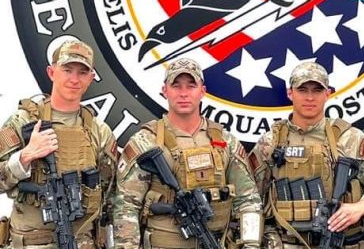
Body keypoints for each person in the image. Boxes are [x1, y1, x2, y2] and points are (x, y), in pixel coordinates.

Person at [113, 57, 263, 248]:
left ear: (202, 91)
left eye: (191, 86)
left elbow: (248, 200)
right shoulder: (146, 142)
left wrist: (250, 246)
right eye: (176, 86)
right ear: (164, 91)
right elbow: (126, 207)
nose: (183, 93)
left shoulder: (225, 142)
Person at [248, 61, 364, 248]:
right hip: (286, 242)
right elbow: (249, 196)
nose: (310, 97)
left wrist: (361, 207)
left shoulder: (348, 137)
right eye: (302, 90)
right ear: (290, 93)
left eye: (317, 90)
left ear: (328, 93)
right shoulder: (271, 141)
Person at [0, 40, 118, 248]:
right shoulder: (23, 122)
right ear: (52, 72)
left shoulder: (99, 131)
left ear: (91, 78)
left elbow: (109, 196)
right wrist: (25, 157)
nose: (74, 79)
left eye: (82, 72)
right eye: (67, 70)